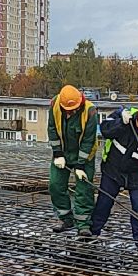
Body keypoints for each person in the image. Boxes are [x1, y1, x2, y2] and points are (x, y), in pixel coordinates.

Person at [90, 102, 138, 244]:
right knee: (104, 202)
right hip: (113, 169)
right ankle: (93, 232)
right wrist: (121, 123)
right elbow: (105, 130)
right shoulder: (122, 115)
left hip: (137, 174)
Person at [47, 84, 99, 235]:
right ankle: (65, 218)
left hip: (84, 155)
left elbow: (88, 141)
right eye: (68, 110)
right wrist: (57, 153)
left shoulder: (90, 111)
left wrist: (80, 165)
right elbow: (52, 129)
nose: (71, 112)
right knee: (55, 185)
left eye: (73, 110)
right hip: (63, 153)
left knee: (84, 189)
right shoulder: (55, 105)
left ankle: (83, 224)